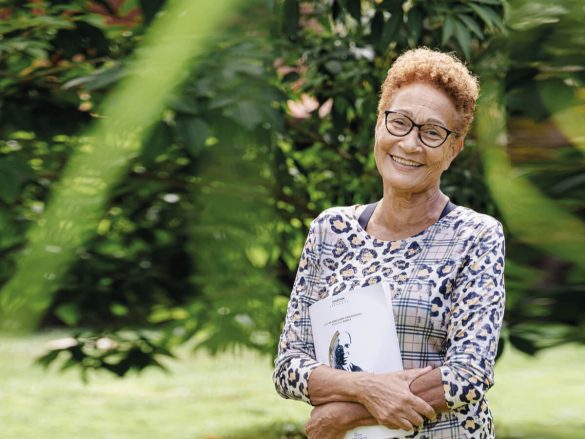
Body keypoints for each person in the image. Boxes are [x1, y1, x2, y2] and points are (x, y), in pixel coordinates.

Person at [273, 47, 505, 439]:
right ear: (378, 126)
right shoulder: (330, 231)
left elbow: (469, 372)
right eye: (399, 123)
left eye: (432, 132)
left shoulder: (475, 236)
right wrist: (367, 389)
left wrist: (347, 415)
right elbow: (289, 367)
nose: (411, 144)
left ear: (454, 149)